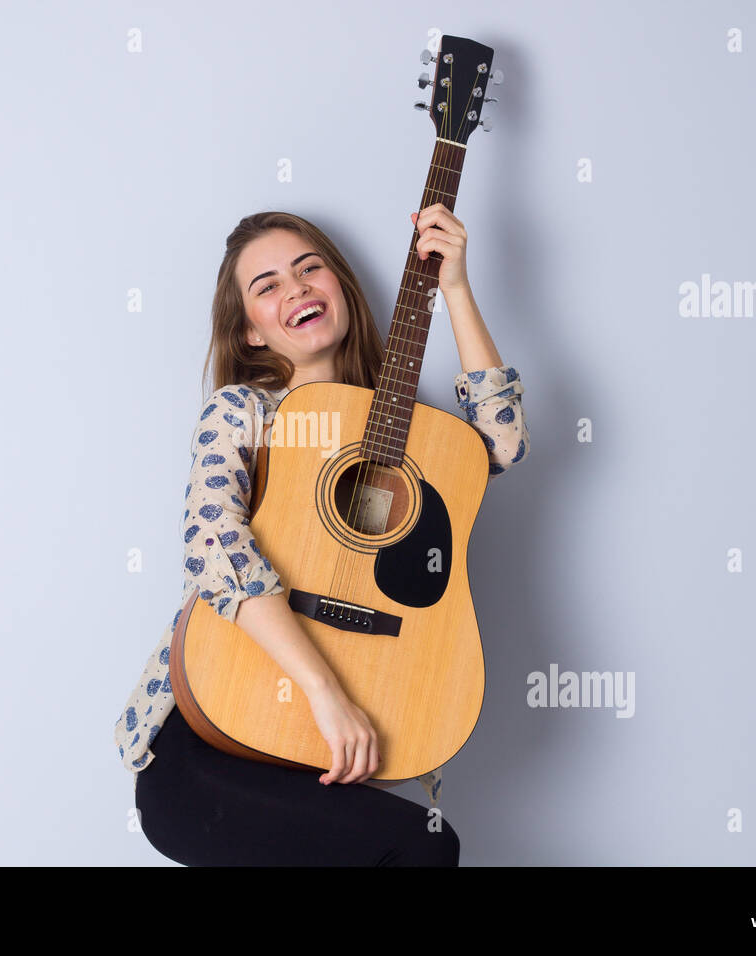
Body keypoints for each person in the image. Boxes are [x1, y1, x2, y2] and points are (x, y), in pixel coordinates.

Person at [113, 205, 530, 865]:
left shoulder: (413, 439)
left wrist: (453, 286)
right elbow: (213, 550)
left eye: (311, 269)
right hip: (211, 743)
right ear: (249, 332)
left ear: (341, 287)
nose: (297, 288)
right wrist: (325, 693)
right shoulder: (244, 412)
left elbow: (499, 443)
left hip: (328, 756)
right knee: (421, 851)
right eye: (268, 285)